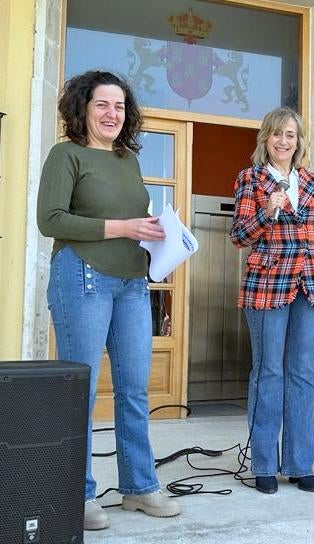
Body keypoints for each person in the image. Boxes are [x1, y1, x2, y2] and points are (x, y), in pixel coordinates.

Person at [37, 71, 181, 531]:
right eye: (102, 105)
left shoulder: (128, 160)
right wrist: (125, 227)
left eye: (119, 107)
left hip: (132, 282)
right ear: (82, 108)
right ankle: (76, 495)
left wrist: (161, 237)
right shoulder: (66, 155)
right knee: (80, 390)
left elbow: (135, 219)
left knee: (134, 388)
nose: (111, 114)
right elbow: (51, 220)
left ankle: (139, 487)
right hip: (82, 274)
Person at [229, 106, 314, 494]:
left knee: (302, 374)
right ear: (266, 139)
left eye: (291, 135)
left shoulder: (311, 181)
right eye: (277, 134)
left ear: (299, 142)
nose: (284, 141)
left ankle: (299, 464)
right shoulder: (251, 178)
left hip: (311, 286)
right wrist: (267, 212)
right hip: (267, 287)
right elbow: (239, 235)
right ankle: (263, 464)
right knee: (269, 373)